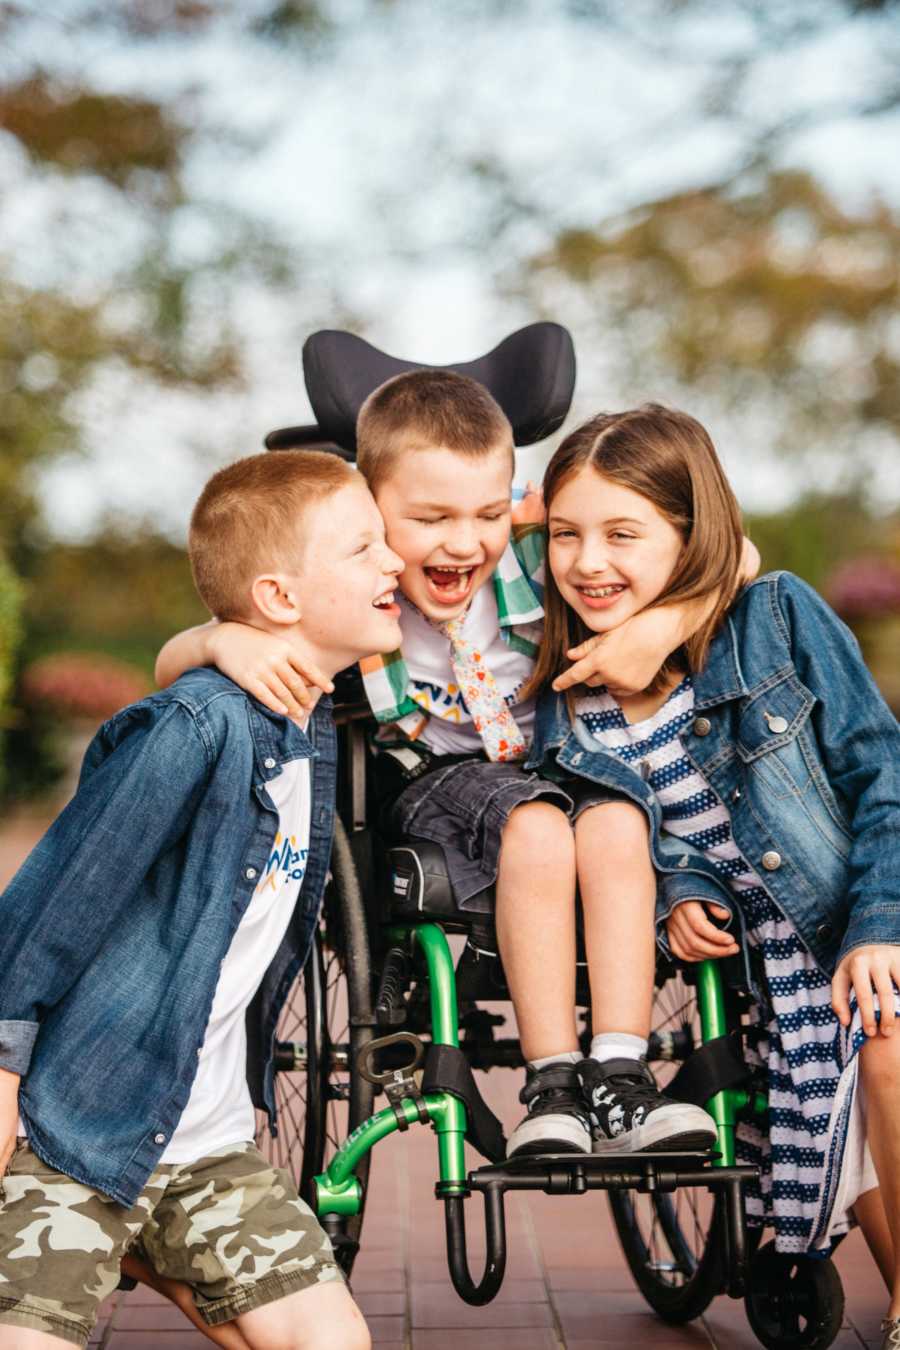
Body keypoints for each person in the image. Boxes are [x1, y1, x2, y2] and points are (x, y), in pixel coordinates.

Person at [156, 370, 753, 1159]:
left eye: (486, 514)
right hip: (436, 786)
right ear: (367, 510)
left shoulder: (543, 562)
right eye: (430, 518)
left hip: (562, 764)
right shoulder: (349, 588)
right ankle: (554, 1083)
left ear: (515, 502)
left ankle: (619, 1069)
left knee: (617, 820)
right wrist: (218, 639)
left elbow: (735, 555)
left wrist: (660, 625)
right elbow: (172, 664)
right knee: (536, 825)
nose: (463, 543)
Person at [0, 449, 403, 1350]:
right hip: (76, 1132)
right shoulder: (200, 727)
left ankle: (153, 1239)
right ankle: (110, 1231)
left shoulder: (313, 726)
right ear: (280, 599)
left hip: (203, 1146)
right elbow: (53, 899)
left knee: (336, 1341)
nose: (395, 563)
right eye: (363, 548)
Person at [523, 405, 900, 1348]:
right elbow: (659, 840)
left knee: (885, 1038)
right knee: (849, 1083)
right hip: (769, 967)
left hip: (866, 908)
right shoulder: (573, 704)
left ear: (691, 539)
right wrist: (683, 896)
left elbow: (884, 776)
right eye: (565, 534)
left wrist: (879, 925)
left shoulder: (776, 620)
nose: (587, 561)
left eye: (622, 533)